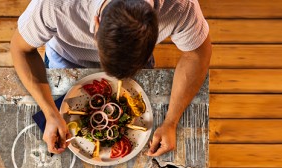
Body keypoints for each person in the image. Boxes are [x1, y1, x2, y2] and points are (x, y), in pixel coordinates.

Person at [11, 0, 212, 156]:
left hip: (139, 68)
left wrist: (171, 122)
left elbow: (197, 54)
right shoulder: (54, 5)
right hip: (66, 60)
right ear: (96, 22)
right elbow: (20, 50)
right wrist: (50, 113)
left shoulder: (180, 6)